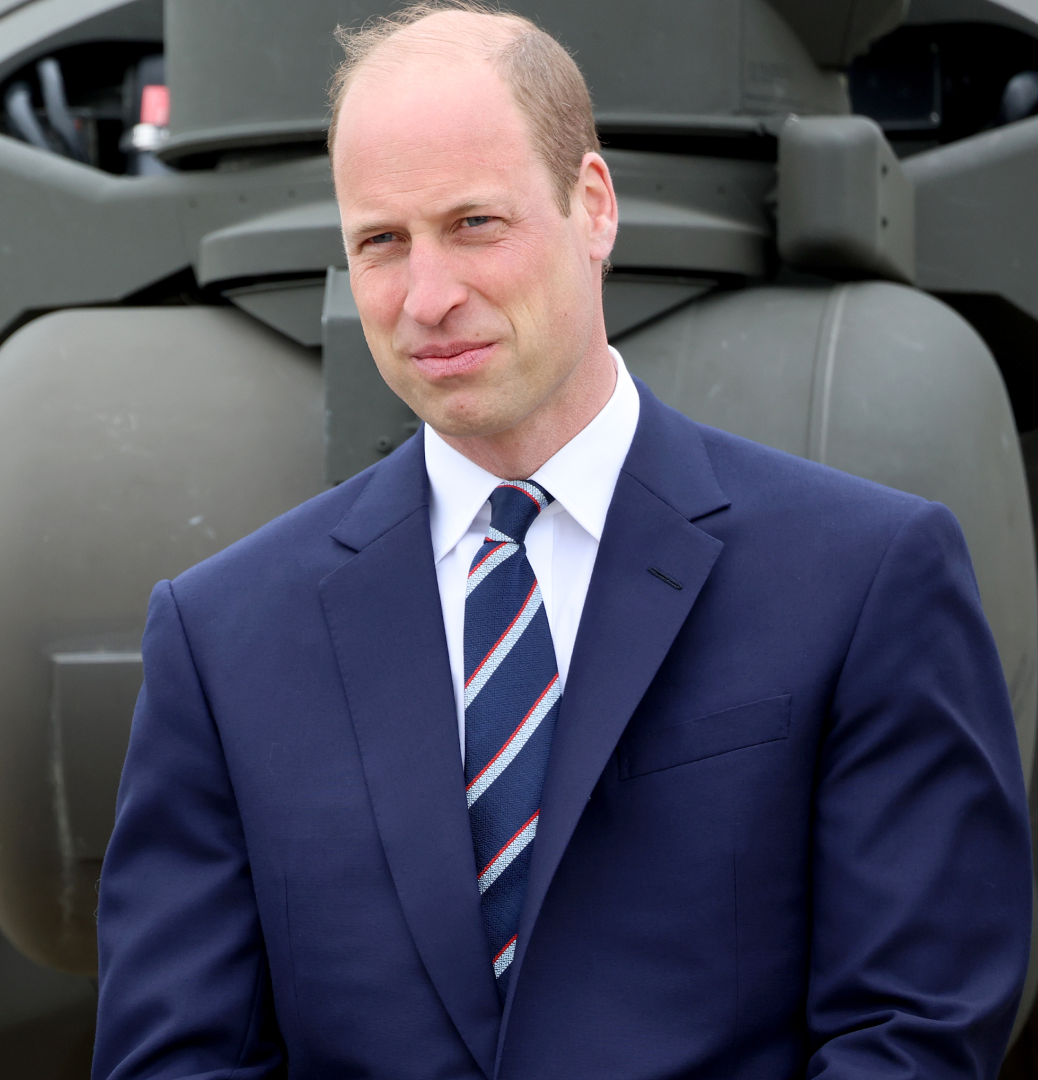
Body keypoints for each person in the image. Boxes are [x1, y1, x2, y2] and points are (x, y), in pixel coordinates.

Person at [92, 4, 1032, 1078]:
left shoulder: (865, 580)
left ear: (593, 206)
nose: (428, 298)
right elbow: (176, 1058)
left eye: (474, 225)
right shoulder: (223, 642)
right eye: (381, 243)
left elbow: (913, 1032)